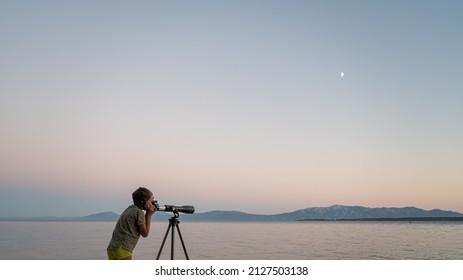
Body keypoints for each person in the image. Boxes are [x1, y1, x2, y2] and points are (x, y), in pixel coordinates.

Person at [107, 187, 156, 260]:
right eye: (151, 201)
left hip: (112, 248)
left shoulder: (129, 209)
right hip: (123, 249)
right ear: (144, 201)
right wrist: (148, 215)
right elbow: (145, 233)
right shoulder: (139, 212)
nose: (152, 204)